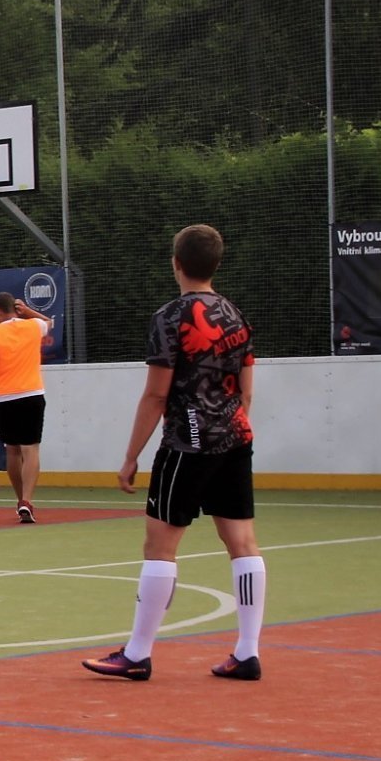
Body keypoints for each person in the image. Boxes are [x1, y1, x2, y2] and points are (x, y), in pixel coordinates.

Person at [84, 224, 266, 683]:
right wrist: (228, 424)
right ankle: (247, 652)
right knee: (242, 544)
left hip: (187, 443)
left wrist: (130, 457)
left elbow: (156, 396)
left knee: (160, 548)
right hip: (235, 439)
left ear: (176, 263)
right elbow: (246, 392)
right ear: (216, 264)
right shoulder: (236, 315)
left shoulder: (170, 318)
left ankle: (137, 653)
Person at [0, 293, 53, 523]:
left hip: (5, 397)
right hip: (32, 394)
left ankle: (20, 501)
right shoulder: (33, 326)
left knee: (12, 451)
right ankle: (27, 500)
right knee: (31, 450)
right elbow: (49, 323)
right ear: (14, 309)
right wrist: (29, 312)